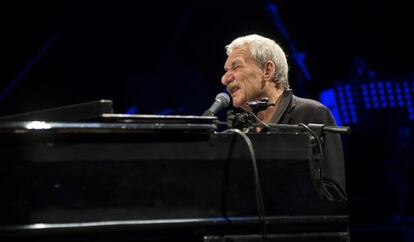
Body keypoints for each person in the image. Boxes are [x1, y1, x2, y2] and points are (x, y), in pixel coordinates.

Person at [221, 34, 347, 202]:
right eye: (226, 71)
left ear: (267, 70)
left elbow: (334, 195)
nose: (225, 79)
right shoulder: (239, 129)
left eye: (235, 68)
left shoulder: (313, 113)